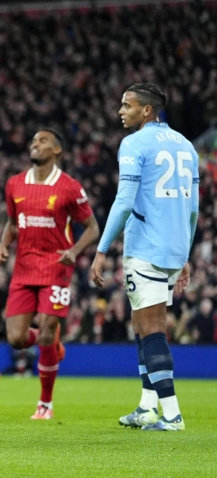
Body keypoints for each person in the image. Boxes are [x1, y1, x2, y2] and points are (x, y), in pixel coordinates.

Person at [91, 83, 199, 431]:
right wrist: (185, 254)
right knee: (142, 325)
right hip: (173, 248)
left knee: (152, 330)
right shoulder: (186, 145)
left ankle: (172, 414)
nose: (121, 111)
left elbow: (124, 202)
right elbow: (193, 209)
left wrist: (102, 248)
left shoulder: (134, 144)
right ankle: (147, 407)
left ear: (147, 111)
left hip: (146, 248)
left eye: (127, 105)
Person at [0, 128, 99, 419]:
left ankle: (45, 404)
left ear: (57, 150)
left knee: (47, 332)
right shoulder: (14, 184)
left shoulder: (69, 187)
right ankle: (52, 343)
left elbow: (93, 228)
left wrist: (75, 252)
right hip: (23, 269)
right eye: (33, 141)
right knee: (16, 338)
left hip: (56, 268)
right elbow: (14, 222)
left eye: (42, 141)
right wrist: (3, 245)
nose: (35, 144)